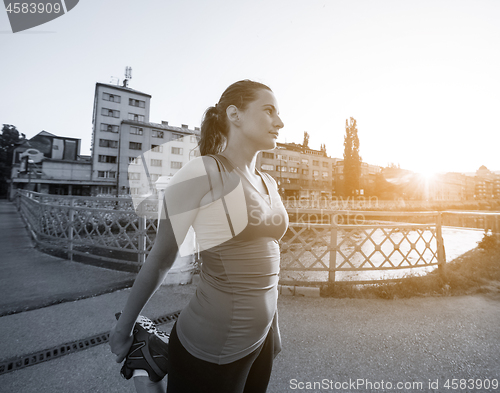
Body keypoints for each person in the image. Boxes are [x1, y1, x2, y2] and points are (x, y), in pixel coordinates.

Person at [109, 79, 288, 393]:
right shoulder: (201, 172)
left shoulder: (268, 181)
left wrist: (273, 327)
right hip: (214, 343)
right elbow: (162, 258)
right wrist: (123, 329)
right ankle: (144, 362)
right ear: (235, 114)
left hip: (261, 339)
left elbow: (265, 259)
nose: (280, 122)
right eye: (269, 111)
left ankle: (153, 356)